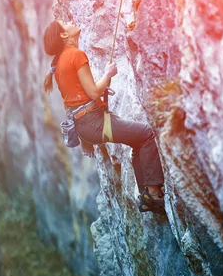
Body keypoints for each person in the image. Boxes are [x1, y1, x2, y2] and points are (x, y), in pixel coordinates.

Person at [42, 19, 166, 214]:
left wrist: (84, 138)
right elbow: (92, 92)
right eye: (65, 23)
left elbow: (72, 101)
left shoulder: (59, 64)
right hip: (94, 122)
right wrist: (108, 74)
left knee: (138, 141)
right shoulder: (75, 55)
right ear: (64, 35)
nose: (70, 21)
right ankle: (153, 194)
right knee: (147, 135)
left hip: (86, 124)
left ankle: (147, 193)